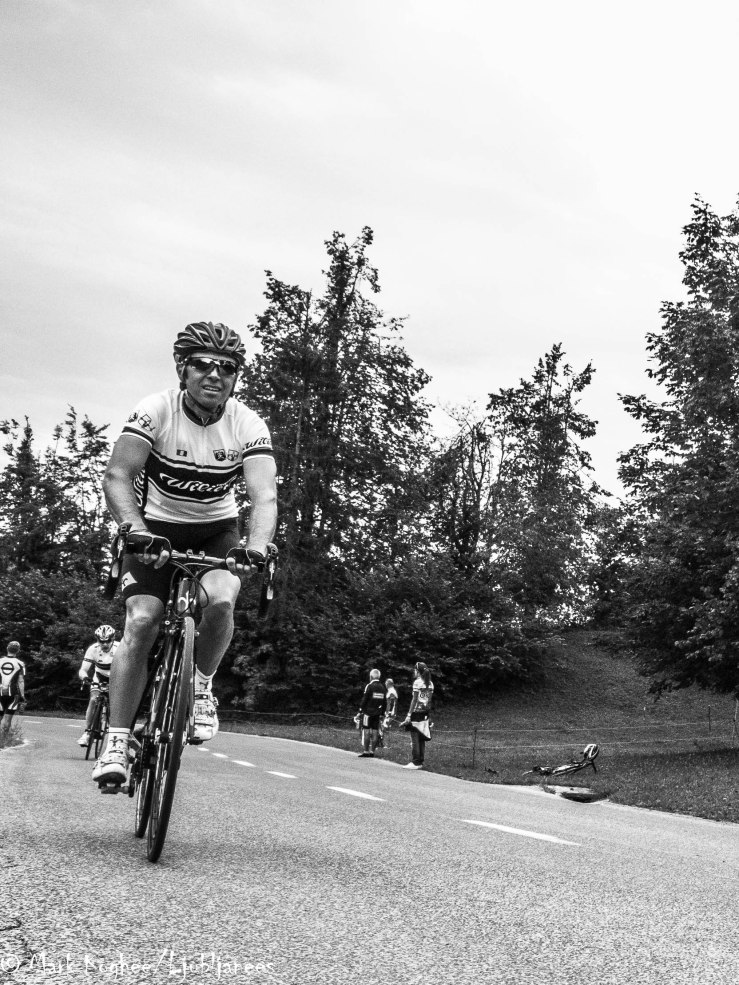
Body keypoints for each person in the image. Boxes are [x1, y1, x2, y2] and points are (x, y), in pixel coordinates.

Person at [93, 321, 277, 787]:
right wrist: (133, 531)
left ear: (236, 377)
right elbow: (119, 475)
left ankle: (199, 686)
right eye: (202, 365)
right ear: (182, 368)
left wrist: (254, 548)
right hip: (154, 529)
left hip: (217, 530)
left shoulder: (247, 423)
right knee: (142, 620)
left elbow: (264, 496)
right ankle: (116, 738)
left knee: (220, 600)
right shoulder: (156, 410)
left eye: (227, 368)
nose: (214, 375)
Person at [76, 625, 119, 747]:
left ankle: (114, 732)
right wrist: (85, 677)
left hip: (116, 676)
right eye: (101, 641)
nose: (104, 644)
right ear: (97, 640)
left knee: (115, 704)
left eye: (108, 641)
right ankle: (87, 732)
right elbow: (83, 669)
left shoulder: (120, 648)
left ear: (113, 638)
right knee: (93, 699)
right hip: (99, 676)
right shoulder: (93, 649)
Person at [402, 661, 434, 769]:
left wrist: (409, 715)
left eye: (415, 670)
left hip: (416, 712)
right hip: (425, 712)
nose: (414, 672)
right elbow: (429, 701)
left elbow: (414, 699)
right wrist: (429, 716)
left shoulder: (417, 682)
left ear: (418, 672)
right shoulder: (430, 683)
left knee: (415, 738)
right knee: (422, 737)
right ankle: (420, 761)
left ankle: (415, 761)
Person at [357, 669, 387, 757]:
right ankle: (372, 752)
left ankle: (366, 751)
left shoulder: (369, 686)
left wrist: (360, 710)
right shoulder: (382, 687)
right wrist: (382, 713)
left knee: (366, 731)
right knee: (375, 732)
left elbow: (365, 699)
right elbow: (384, 702)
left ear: (371, 676)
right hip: (377, 713)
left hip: (368, 713)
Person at [0, 641, 26, 739]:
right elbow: (21, 681)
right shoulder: (20, 664)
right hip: (14, 694)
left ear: (7, 648)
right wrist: (22, 696)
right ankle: (4, 740)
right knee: (8, 719)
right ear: (18, 650)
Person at [380, 677, 399, 745]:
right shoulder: (390, 691)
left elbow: (392, 704)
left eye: (386, 683)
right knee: (384, 727)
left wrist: (389, 713)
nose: (385, 684)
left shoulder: (392, 692)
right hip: (389, 713)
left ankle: (386, 745)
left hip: (390, 713)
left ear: (388, 684)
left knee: (385, 728)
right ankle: (382, 744)